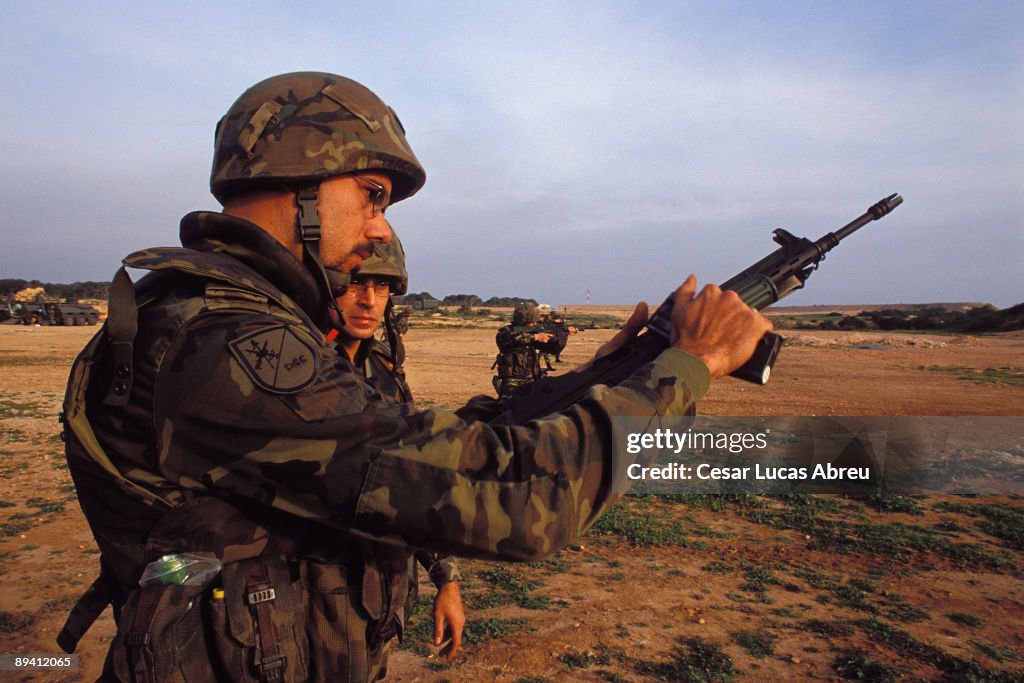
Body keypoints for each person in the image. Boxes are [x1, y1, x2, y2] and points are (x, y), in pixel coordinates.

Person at [58, 71, 771, 682]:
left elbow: (416, 447)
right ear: (298, 181)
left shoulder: (241, 320)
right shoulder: (228, 341)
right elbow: (519, 500)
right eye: (372, 194)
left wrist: (601, 376)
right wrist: (688, 365)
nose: (377, 228)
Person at [327, 234, 465, 660]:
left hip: (376, 604)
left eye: (382, 287)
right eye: (354, 284)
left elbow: (410, 476)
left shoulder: (383, 371)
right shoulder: (294, 374)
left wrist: (447, 578)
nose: (369, 301)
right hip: (310, 608)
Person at [492, 302, 552, 398]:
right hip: (512, 382)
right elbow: (513, 338)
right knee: (508, 407)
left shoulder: (532, 331)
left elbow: (551, 346)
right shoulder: (506, 331)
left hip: (532, 379)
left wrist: (563, 334)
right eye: (532, 321)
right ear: (523, 321)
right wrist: (535, 337)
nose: (535, 324)